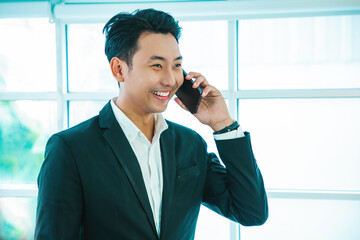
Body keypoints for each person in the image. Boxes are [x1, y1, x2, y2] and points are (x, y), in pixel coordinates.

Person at [35, 8, 268, 240]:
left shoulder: (190, 145)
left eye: (177, 65)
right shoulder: (71, 149)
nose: (170, 79)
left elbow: (251, 212)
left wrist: (222, 123)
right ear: (119, 69)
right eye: (157, 65)